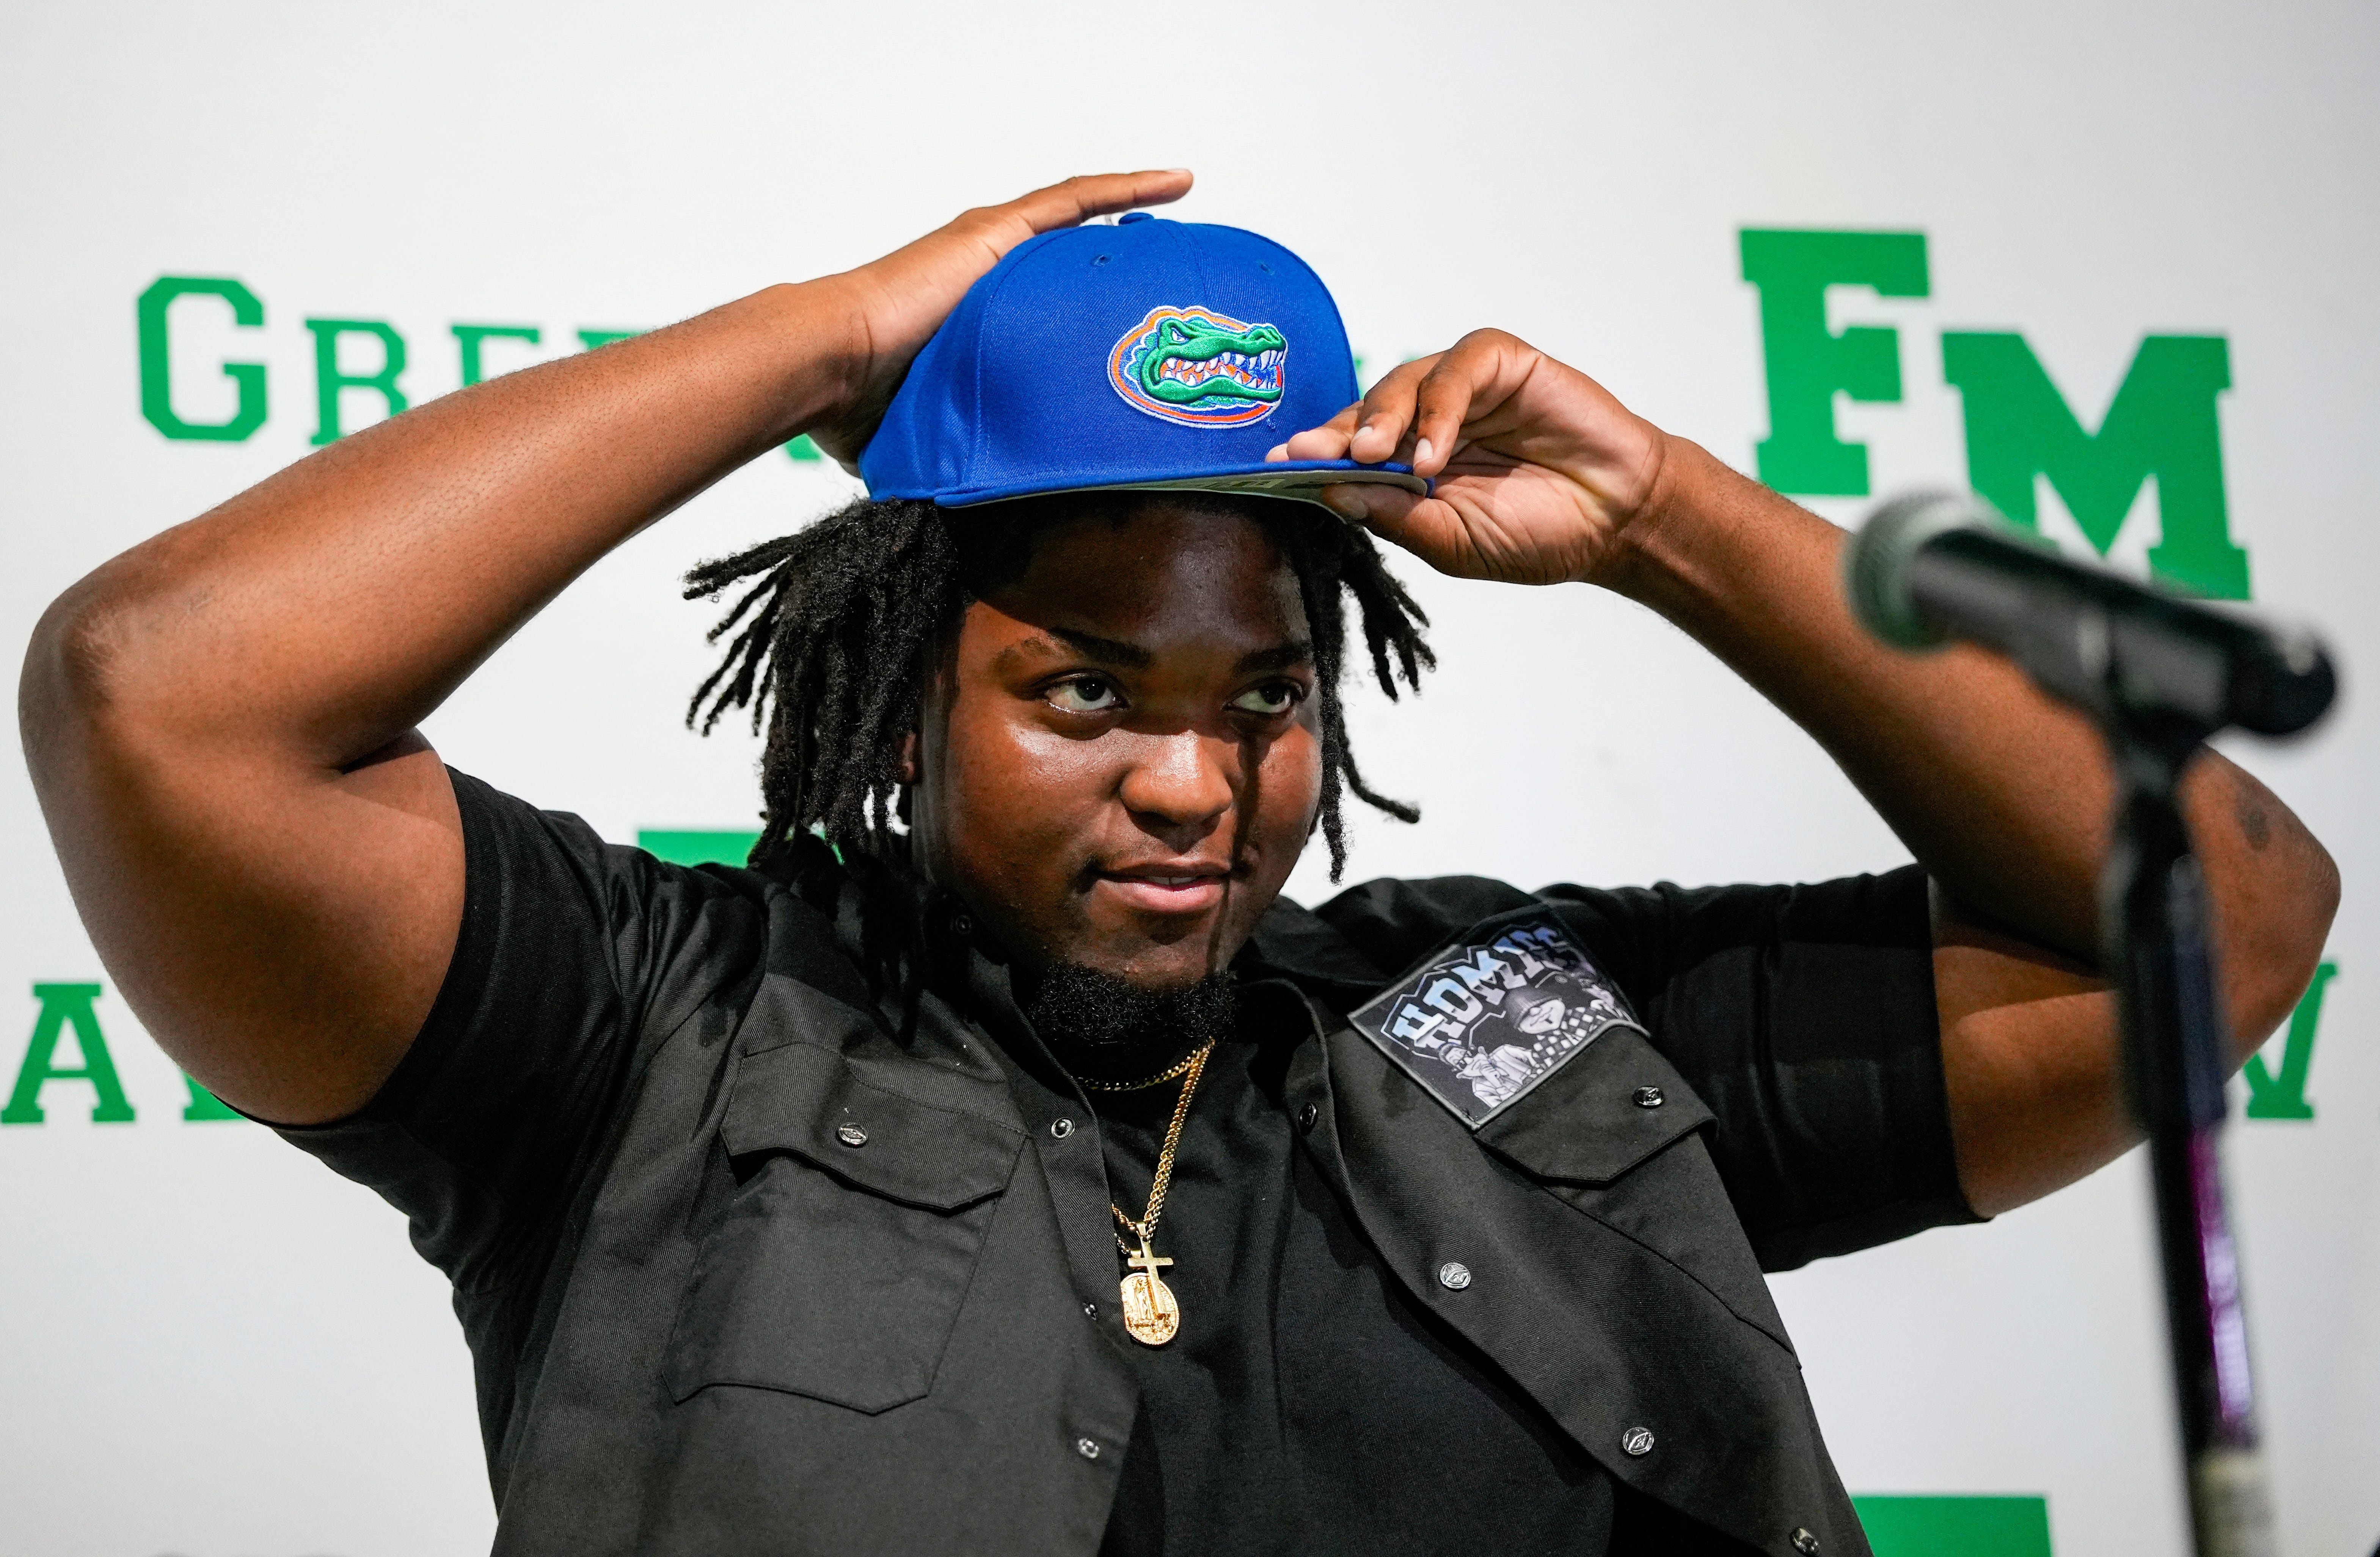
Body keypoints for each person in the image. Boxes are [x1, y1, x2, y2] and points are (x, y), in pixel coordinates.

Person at [20, 171, 2336, 1557]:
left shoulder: (1503, 1038)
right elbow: (163, 693)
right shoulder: (662, 1034)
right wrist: (829, 337)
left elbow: (2220, 917)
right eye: (1082, 690)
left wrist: (1662, 524)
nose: (1190, 780)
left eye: (1262, 697)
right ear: (898, 694)